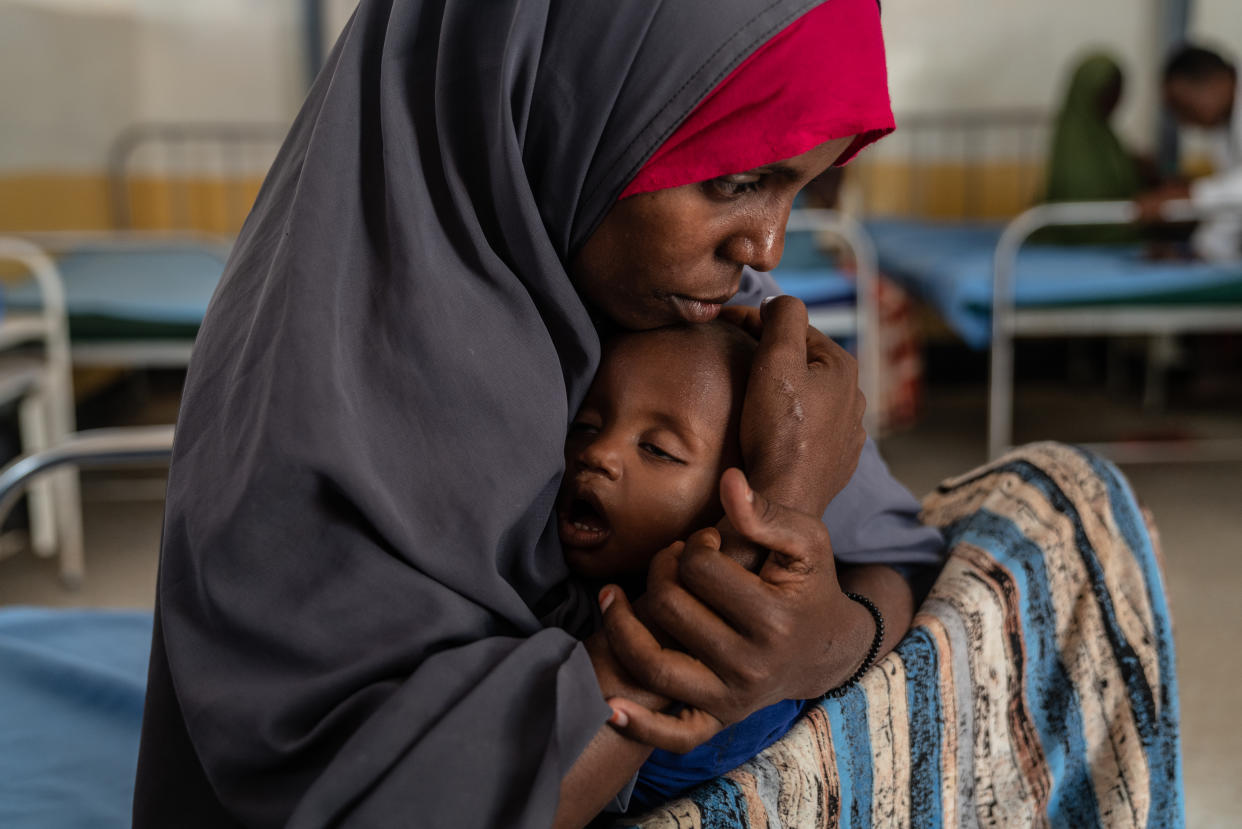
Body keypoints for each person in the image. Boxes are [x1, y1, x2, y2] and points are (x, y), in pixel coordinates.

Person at [132, 1, 945, 827]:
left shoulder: (705, 312)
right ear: (558, 107)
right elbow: (390, 801)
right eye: (735, 181)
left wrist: (827, 637)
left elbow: (894, 562)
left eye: (803, 188)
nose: (766, 248)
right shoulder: (315, 392)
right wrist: (761, 541)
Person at [556, 321, 834, 811]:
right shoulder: (551, 602)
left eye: (657, 449)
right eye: (585, 426)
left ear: (728, 506)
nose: (598, 454)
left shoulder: (762, 655)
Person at [1137, 45, 1242, 260]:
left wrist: (1191, 196)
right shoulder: (1224, 128)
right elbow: (1232, 209)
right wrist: (1196, 252)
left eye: (1182, 106)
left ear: (1215, 82)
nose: (1183, 120)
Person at [1041, 53, 1149, 244]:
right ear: (1089, 89)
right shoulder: (1075, 143)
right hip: (1088, 233)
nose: (1117, 97)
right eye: (1110, 89)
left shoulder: (1105, 137)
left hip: (1118, 225)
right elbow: (1080, 213)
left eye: (1119, 89)